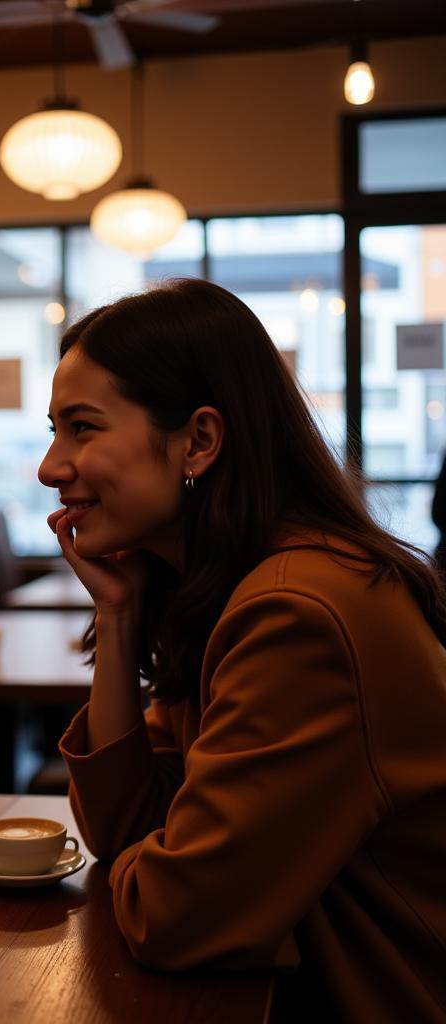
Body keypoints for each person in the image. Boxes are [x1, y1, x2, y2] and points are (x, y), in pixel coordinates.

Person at [38, 278, 446, 1022]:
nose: (50, 465)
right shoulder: (227, 585)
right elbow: (128, 829)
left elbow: (177, 917)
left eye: (82, 428)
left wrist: (168, 861)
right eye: (54, 430)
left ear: (198, 439)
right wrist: (119, 617)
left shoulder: (298, 615)